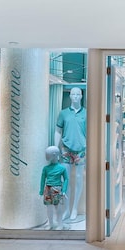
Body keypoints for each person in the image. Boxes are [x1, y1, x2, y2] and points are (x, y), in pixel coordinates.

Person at [55, 87, 86, 221]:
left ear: (81, 96)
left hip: (81, 149)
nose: (75, 96)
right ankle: (66, 209)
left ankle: (75, 208)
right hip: (65, 149)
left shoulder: (86, 113)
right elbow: (57, 131)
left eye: (77, 94)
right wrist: (55, 148)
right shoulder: (63, 113)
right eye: (72, 94)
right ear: (70, 96)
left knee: (79, 179)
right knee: (65, 179)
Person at [39, 146, 69, 230]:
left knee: (58, 207)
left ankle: (60, 224)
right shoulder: (46, 168)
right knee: (49, 208)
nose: (46, 156)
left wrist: (64, 191)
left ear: (55, 154)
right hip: (47, 189)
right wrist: (41, 191)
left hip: (57, 189)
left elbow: (66, 179)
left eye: (48, 154)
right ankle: (51, 224)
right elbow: (42, 180)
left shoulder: (62, 168)